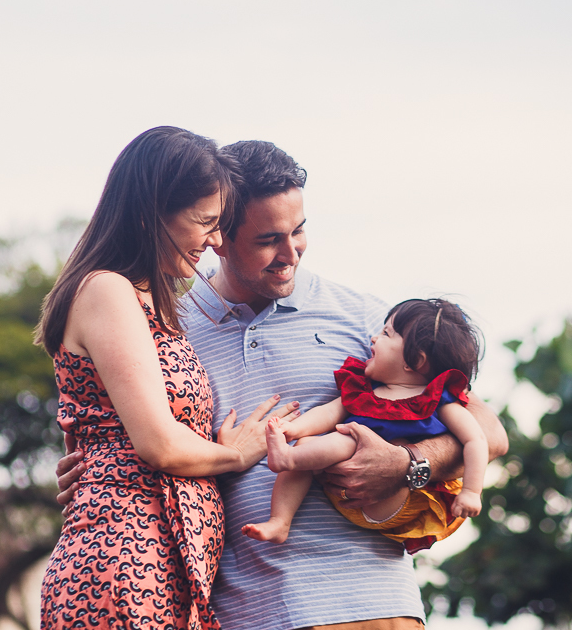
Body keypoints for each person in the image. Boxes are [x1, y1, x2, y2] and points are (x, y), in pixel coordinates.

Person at [57, 140, 509, 630]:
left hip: (369, 606)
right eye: (268, 238)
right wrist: (103, 461)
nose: (290, 252)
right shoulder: (166, 325)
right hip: (238, 614)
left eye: (299, 230)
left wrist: (406, 465)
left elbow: (491, 433)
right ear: (219, 235)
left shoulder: (371, 322)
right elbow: (142, 432)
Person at [35, 127, 296, 630]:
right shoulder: (109, 291)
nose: (216, 240)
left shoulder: (152, 303)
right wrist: (236, 454)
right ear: (149, 213)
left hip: (164, 561)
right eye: (205, 222)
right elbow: (158, 444)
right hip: (127, 559)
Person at [242, 298, 486, 555]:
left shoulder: (438, 401)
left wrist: (471, 491)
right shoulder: (366, 389)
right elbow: (327, 412)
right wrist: (291, 430)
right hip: (343, 490)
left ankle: (287, 458)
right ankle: (280, 522)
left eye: (386, 333)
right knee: (308, 444)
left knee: (349, 438)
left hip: (392, 498)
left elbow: (476, 440)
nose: (372, 338)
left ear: (414, 360)